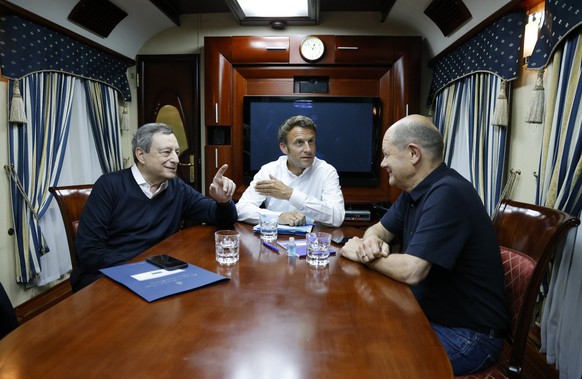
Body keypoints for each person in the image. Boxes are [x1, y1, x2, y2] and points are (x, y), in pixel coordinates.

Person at [339, 114, 508, 375]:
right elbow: (379, 230)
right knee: (354, 334)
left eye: (387, 154)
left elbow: (412, 270)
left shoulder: (448, 192)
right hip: (432, 316)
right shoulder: (415, 191)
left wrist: (361, 255)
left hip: (469, 337)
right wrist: (369, 242)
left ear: (413, 154)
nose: (383, 163)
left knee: (367, 363)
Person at [71, 123, 238, 292]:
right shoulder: (109, 185)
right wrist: (142, 269)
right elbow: (89, 249)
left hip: (158, 274)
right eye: (167, 152)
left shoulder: (176, 187)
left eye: (177, 152)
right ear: (141, 155)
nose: (176, 159)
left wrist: (223, 201)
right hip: (110, 276)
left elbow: (221, 218)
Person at [236, 115, 345, 227]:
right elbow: (241, 209)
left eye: (311, 141)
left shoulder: (327, 171)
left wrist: (290, 194)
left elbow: (337, 217)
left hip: (313, 241)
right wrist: (278, 217)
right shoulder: (269, 171)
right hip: (275, 241)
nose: (308, 149)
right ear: (284, 148)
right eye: (299, 142)